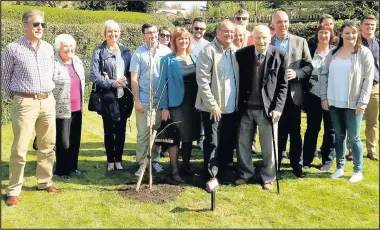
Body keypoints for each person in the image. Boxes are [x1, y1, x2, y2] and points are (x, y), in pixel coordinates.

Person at [2, 9, 63, 206]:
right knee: (20, 148)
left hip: (47, 101)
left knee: (47, 145)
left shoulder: (47, 48)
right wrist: (19, 98)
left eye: (42, 25)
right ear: (25, 25)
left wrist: (47, 97)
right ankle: (13, 190)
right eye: (36, 24)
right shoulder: (12, 49)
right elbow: (4, 77)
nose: (39, 28)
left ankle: (45, 182)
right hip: (25, 102)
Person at [234, 25, 288, 190]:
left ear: (270, 37)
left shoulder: (280, 55)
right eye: (257, 37)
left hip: (268, 110)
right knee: (243, 143)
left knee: (269, 146)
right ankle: (245, 173)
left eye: (264, 37)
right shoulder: (242, 55)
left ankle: (268, 177)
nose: (261, 41)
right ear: (252, 38)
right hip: (245, 108)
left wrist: (278, 108)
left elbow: (283, 85)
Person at [320, 21, 374, 183]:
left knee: (355, 137)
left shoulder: (364, 53)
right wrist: (324, 97)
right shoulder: (333, 53)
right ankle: (339, 168)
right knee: (339, 136)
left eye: (353, 32)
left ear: (357, 34)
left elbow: (368, 79)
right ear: (341, 34)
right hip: (334, 102)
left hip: (354, 104)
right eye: (347, 32)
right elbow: (323, 75)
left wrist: (362, 103)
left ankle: (358, 170)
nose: (351, 35)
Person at [196, 19, 239, 185]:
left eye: (232, 32)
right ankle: (211, 174)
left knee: (228, 141)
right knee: (212, 142)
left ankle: (226, 171)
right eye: (226, 31)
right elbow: (202, 81)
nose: (230, 35)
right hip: (212, 108)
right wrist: (212, 104)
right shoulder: (208, 51)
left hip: (231, 107)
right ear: (218, 32)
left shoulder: (235, 51)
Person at [270, 11, 313, 178]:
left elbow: (309, 66)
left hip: (294, 94)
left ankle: (297, 165)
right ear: (273, 24)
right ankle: (276, 164)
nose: (283, 25)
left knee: (295, 133)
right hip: (273, 95)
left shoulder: (300, 42)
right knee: (277, 131)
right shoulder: (269, 42)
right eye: (279, 22)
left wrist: (297, 74)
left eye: (286, 21)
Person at [90, 20, 134, 172]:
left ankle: (119, 160)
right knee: (109, 129)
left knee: (121, 129)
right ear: (105, 33)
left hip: (124, 97)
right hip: (108, 97)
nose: (113, 34)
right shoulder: (99, 51)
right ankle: (110, 161)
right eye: (110, 31)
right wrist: (111, 83)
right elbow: (94, 76)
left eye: (116, 31)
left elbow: (133, 73)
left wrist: (126, 81)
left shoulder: (126, 51)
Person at [157, 27, 200, 181]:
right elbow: (162, 85)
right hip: (175, 105)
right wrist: (164, 107)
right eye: (180, 38)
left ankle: (186, 167)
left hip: (193, 104)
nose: (184, 41)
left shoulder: (195, 57)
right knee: (175, 138)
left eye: (186, 38)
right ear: (174, 41)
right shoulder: (167, 60)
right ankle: (174, 171)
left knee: (189, 137)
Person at [130, 23, 172, 177]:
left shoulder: (167, 52)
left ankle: (154, 160)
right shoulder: (138, 53)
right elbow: (134, 78)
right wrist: (137, 100)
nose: (153, 35)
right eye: (149, 33)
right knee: (143, 133)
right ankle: (142, 163)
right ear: (144, 35)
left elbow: (169, 77)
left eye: (155, 32)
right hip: (144, 99)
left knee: (156, 131)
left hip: (161, 100)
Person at [302, 24, 336, 171]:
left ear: (331, 36)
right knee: (312, 128)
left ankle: (327, 161)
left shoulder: (335, 53)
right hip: (313, 96)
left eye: (327, 33)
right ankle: (307, 159)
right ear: (317, 35)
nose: (323, 36)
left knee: (330, 129)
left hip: (331, 96)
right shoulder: (310, 52)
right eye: (321, 32)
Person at [346, 15, 379, 161]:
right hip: (356, 87)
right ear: (361, 26)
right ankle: (351, 150)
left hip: (374, 88)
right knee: (353, 120)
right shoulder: (354, 43)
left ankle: (372, 150)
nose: (369, 27)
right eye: (367, 24)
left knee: (372, 122)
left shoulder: (379, 44)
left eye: (372, 25)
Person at [52, 34, 85, 178]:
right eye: (65, 46)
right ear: (59, 48)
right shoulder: (53, 62)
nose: (69, 49)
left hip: (77, 107)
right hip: (61, 107)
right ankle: (61, 170)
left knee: (75, 139)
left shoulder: (76, 61)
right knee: (63, 141)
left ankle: (73, 167)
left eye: (71, 46)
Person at [191, 17, 210, 150]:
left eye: (201, 29)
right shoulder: (186, 42)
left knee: (203, 111)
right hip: (188, 82)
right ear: (192, 27)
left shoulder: (208, 45)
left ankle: (201, 139)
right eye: (196, 28)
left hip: (203, 82)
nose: (199, 31)